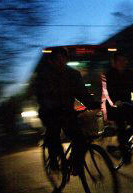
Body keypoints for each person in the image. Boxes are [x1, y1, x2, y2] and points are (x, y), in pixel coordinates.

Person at [34, 47, 100, 175]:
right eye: (57, 59)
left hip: (67, 112)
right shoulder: (44, 75)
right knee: (53, 133)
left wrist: (92, 103)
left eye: (63, 59)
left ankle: (74, 163)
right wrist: (50, 107)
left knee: (80, 138)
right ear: (52, 61)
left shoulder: (73, 74)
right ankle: (54, 160)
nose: (61, 62)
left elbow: (81, 93)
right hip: (50, 112)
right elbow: (42, 96)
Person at [104, 52, 133, 164]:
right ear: (114, 63)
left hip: (127, 104)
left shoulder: (128, 73)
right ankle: (123, 152)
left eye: (124, 60)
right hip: (114, 106)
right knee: (121, 126)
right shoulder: (109, 75)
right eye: (120, 61)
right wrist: (115, 101)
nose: (123, 63)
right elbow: (108, 91)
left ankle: (124, 142)